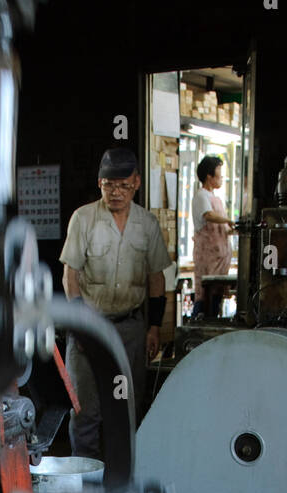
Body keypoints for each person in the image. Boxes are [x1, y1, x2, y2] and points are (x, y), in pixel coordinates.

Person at [59, 147, 172, 460]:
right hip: (90, 327)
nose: (116, 192)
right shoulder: (83, 219)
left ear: (136, 182)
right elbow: (71, 276)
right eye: (109, 185)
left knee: (126, 412)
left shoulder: (147, 224)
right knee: (85, 412)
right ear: (100, 184)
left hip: (131, 330)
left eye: (123, 185)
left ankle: (121, 484)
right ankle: (87, 485)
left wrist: (153, 328)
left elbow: (156, 278)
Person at [190, 155, 235, 319]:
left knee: (215, 298)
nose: (222, 178)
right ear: (209, 176)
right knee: (205, 297)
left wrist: (233, 229)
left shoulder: (216, 198)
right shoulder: (201, 196)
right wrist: (228, 220)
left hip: (219, 258)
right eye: (219, 174)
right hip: (208, 259)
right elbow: (208, 215)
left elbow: (221, 228)